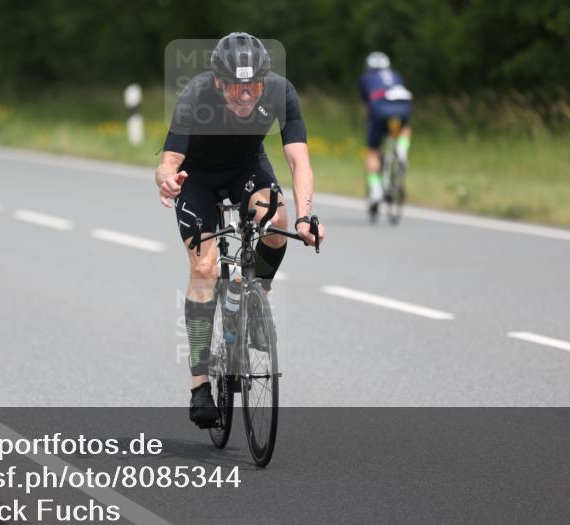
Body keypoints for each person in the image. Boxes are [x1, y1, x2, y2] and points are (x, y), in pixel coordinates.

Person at [155, 32, 325, 428]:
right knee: (204, 268)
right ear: (218, 82)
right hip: (196, 178)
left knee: (277, 222)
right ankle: (200, 384)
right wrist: (166, 180)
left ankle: (257, 297)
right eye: (235, 86)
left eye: (253, 86)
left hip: (246, 167)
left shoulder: (281, 92)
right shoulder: (196, 94)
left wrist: (305, 216)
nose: (245, 95)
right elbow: (169, 161)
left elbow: (299, 161)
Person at [358, 51, 412, 217]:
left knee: (372, 151)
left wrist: (369, 124)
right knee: (405, 129)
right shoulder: (395, 75)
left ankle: (375, 190)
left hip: (380, 108)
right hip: (402, 105)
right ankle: (402, 150)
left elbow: (367, 106)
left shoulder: (366, 78)